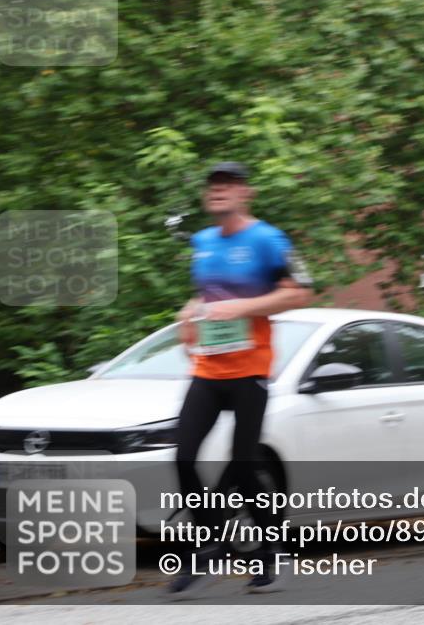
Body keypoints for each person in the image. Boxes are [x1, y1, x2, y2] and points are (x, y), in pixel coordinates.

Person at [167, 161, 314, 597]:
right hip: (208, 369)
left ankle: (271, 553)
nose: (219, 191)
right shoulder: (203, 241)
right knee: (182, 456)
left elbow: (301, 291)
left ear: (245, 193)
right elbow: (208, 294)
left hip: (250, 370)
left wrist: (243, 309)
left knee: (245, 464)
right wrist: (189, 312)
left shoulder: (268, 239)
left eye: (228, 185)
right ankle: (210, 543)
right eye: (213, 185)